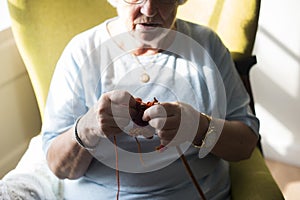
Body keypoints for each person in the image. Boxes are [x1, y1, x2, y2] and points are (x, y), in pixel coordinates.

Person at [41, 0, 260, 199]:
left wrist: (199, 127)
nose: (149, 9)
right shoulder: (82, 52)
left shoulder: (206, 45)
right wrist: (87, 128)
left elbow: (245, 144)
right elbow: (58, 167)